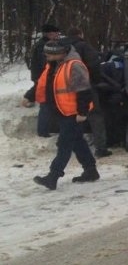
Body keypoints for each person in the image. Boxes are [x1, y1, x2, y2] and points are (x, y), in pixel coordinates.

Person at [33, 40, 100, 190]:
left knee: (64, 144)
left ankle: (53, 176)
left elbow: (84, 91)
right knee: (77, 142)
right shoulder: (53, 65)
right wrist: (30, 96)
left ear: (61, 53)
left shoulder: (74, 65)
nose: (46, 55)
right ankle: (91, 170)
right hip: (61, 111)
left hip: (73, 113)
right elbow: (43, 84)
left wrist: (82, 112)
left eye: (50, 53)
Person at [64, 27, 112, 157]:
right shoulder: (84, 47)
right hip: (85, 85)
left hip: (65, 87)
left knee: (70, 116)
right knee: (94, 115)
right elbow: (94, 64)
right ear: (80, 34)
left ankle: (67, 146)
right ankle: (101, 148)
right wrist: (95, 81)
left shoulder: (62, 48)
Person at [21, 24, 61, 137]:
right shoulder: (44, 46)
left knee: (46, 103)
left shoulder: (44, 44)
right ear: (49, 33)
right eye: (56, 32)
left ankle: (29, 98)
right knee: (46, 104)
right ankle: (43, 131)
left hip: (41, 76)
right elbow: (46, 63)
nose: (58, 35)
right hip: (42, 77)